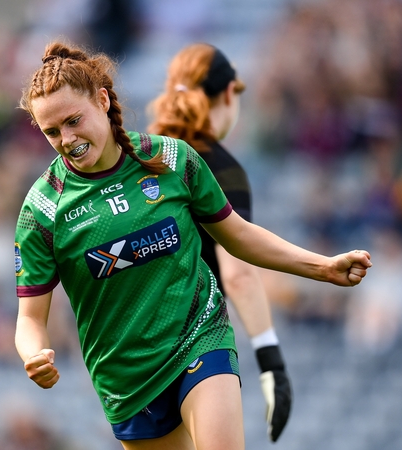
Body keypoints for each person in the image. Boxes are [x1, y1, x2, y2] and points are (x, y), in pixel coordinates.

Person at [13, 41, 371, 450]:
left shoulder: (172, 158)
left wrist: (321, 267)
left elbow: (238, 235)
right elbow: (30, 317)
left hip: (199, 335)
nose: (66, 138)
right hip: (126, 377)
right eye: (52, 132)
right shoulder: (42, 209)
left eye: (74, 121)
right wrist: (33, 353)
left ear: (101, 100)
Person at [147, 42, 292, 442]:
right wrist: (271, 361)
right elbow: (239, 274)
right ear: (229, 94)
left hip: (131, 358)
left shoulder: (136, 160)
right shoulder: (220, 168)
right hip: (194, 351)